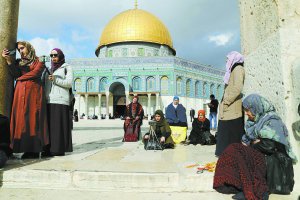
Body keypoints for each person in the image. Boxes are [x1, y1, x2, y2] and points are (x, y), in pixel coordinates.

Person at [213, 94, 297, 200]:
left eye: (248, 110)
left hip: (272, 162)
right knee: (232, 150)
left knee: (237, 150)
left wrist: (253, 143)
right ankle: (231, 183)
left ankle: (253, 189)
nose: (247, 113)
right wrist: (255, 142)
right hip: (262, 156)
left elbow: (269, 146)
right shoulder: (255, 122)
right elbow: (253, 142)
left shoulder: (273, 121)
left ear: (256, 108)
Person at [2, 41, 49, 159]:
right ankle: (18, 147)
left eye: (22, 48)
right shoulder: (19, 62)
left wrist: (19, 78)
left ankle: (33, 150)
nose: (21, 51)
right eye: (18, 50)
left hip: (34, 94)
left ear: (29, 47)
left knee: (33, 120)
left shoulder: (39, 61)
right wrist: (8, 60)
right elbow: (14, 73)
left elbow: (35, 73)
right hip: (20, 93)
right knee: (21, 121)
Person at [43, 48, 73, 156]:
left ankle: (58, 149)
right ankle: (48, 149)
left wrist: (55, 80)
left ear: (60, 56)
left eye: (55, 55)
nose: (53, 57)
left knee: (58, 126)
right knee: (50, 127)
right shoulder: (48, 68)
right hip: (49, 100)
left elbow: (69, 83)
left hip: (60, 100)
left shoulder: (66, 67)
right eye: (51, 55)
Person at [215, 51, 245, 156]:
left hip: (232, 107)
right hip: (229, 107)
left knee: (232, 132)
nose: (227, 61)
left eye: (228, 59)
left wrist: (226, 101)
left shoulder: (237, 69)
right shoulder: (233, 70)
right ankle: (227, 154)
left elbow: (237, 87)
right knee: (226, 131)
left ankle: (232, 155)